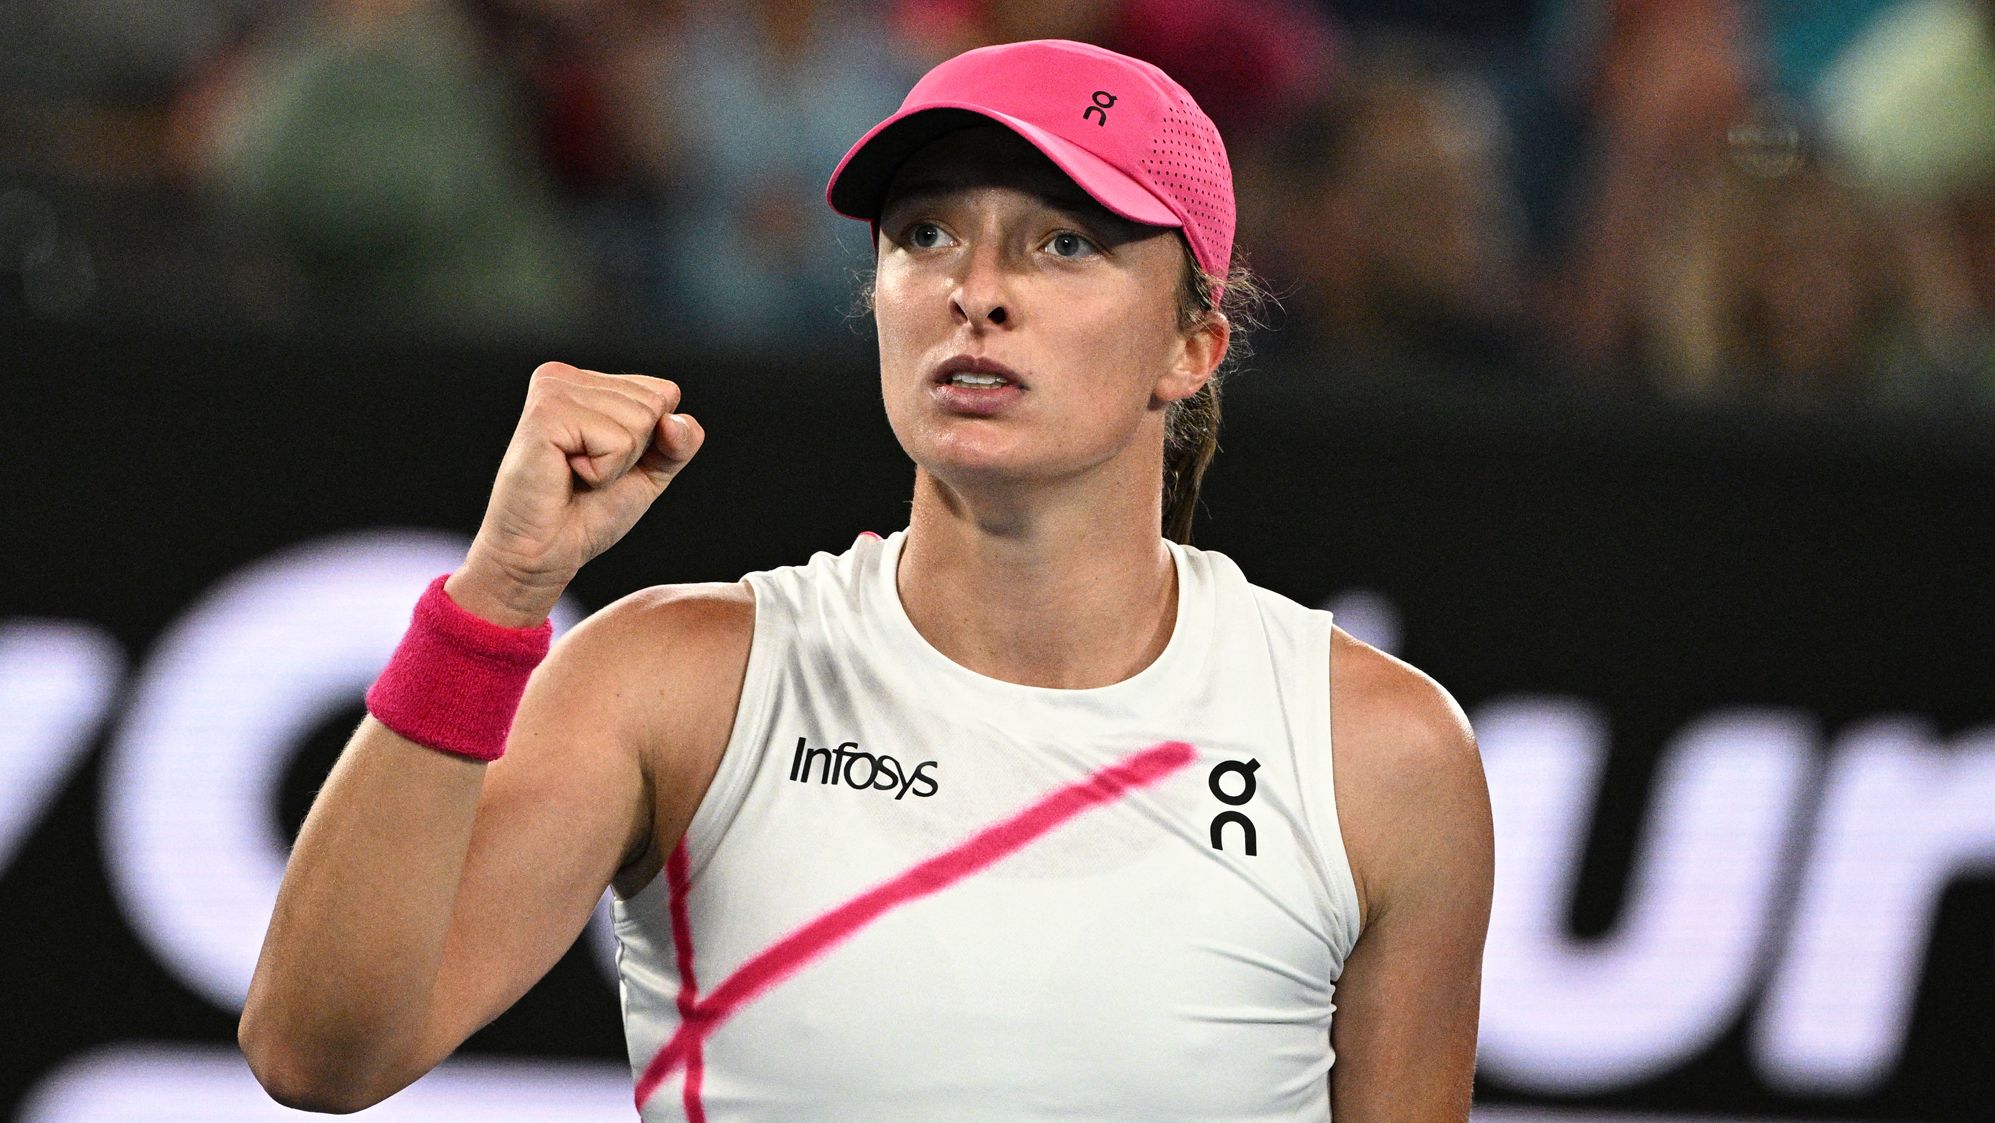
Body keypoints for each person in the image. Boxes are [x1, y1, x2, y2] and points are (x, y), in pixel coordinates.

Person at [238, 38, 1493, 1121]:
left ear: (1191, 345)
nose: (975, 292)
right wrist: (499, 597)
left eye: (1063, 243)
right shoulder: (675, 684)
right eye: (926, 234)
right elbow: (316, 1052)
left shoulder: (1379, 754)